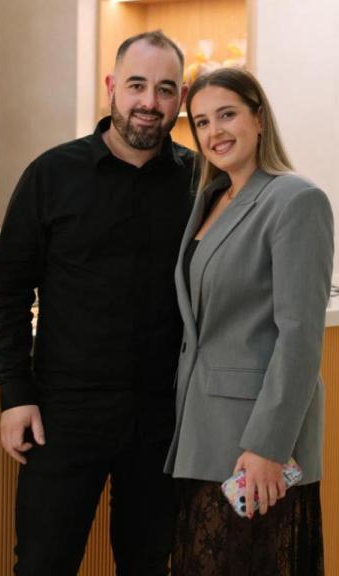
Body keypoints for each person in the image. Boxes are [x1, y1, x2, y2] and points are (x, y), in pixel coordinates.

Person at [0, 30, 195, 575]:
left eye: (166, 89)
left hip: (166, 417)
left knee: (149, 564)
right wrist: (15, 393)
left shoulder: (201, 181)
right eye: (137, 85)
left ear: (182, 97)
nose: (150, 102)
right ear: (112, 88)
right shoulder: (52, 173)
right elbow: (7, 290)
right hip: (63, 414)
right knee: (42, 564)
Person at [168, 67, 332, 575]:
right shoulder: (210, 199)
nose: (214, 131)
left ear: (258, 118)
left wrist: (267, 445)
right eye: (201, 122)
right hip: (200, 431)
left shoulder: (295, 199)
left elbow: (300, 336)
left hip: (253, 444)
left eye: (227, 115)